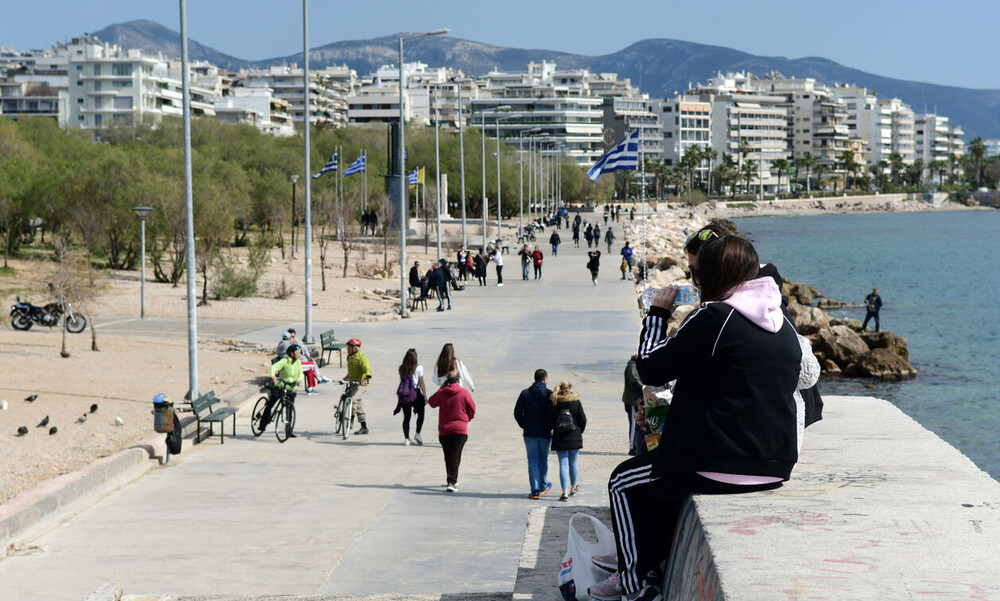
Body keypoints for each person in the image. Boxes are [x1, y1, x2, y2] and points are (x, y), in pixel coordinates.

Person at [592, 234, 801, 601]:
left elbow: (651, 368)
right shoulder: (781, 322)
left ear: (716, 275)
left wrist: (657, 315)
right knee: (660, 481)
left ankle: (634, 581)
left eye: (698, 274)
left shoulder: (714, 316)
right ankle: (644, 563)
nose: (695, 282)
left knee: (623, 482)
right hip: (776, 465)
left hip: (717, 463)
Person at [427, 370, 476, 492]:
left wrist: (441, 389)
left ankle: (451, 480)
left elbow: (431, 402)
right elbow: (472, 410)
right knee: (455, 456)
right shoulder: (464, 393)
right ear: (459, 380)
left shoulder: (442, 393)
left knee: (449, 456)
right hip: (460, 430)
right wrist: (465, 420)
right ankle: (452, 481)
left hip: (445, 430)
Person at [513, 369, 553, 499]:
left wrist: (524, 424)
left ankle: (534, 489)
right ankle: (543, 484)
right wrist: (550, 426)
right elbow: (554, 414)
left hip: (530, 433)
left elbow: (517, 412)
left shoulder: (525, 394)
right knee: (543, 459)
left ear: (534, 378)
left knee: (532, 460)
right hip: (545, 432)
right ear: (545, 379)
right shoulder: (549, 395)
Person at [549, 381, 586, 501]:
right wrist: (579, 431)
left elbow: (550, 420)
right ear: (569, 388)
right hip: (574, 435)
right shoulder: (576, 401)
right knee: (573, 463)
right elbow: (583, 419)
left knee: (563, 464)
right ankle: (573, 487)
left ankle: (564, 492)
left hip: (560, 437)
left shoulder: (555, 401)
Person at [260, 344, 304, 437]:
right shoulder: (284, 361)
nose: (299, 354)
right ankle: (262, 424)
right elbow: (274, 367)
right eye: (298, 353)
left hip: (291, 388)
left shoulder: (298, 362)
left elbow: (300, 373)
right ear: (292, 354)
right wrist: (273, 376)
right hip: (281, 386)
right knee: (270, 404)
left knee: (290, 409)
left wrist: (300, 380)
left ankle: (289, 430)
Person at [395, 348, 427, 445]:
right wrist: (425, 396)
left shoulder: (401, 368)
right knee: (421, 414)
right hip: (415, 393)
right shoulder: (419, 367)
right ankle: (417, 433)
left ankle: (407, 439)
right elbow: (421, 382)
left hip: (404, 395)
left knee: (406, 417)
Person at [282, 328, 329, 393]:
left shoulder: (296, 341)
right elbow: (291, 357)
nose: (293, 338)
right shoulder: (287, 344)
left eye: (293, 336)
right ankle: (319, 379)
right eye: (291, 337)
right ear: (288, 337)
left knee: (310, 368)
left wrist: (308, 356)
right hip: (295, 365)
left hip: (300, 362)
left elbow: (304, 348)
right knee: (311, 366)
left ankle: (312, 386)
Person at [344, 338, 372, 435]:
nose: (347, 349)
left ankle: (350, 419)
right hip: (352, 383)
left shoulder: (361, 357)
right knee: (358, 406)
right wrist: (347, 377)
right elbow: (352, 369)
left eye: (349, 347)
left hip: (361, 385)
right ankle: (364, 427)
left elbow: (367, 369)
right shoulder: (349, 357)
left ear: (355, 348)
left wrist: (366, 379)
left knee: (353, 400)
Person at [622, 355, 644, 456]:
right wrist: (645, 388)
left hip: (637, 400)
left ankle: (637, 446)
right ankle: (632, 447)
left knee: (639, 425)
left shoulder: (635, 366)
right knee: (634, 425)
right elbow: (635, 381)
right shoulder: (632, 367)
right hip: (633, 401)